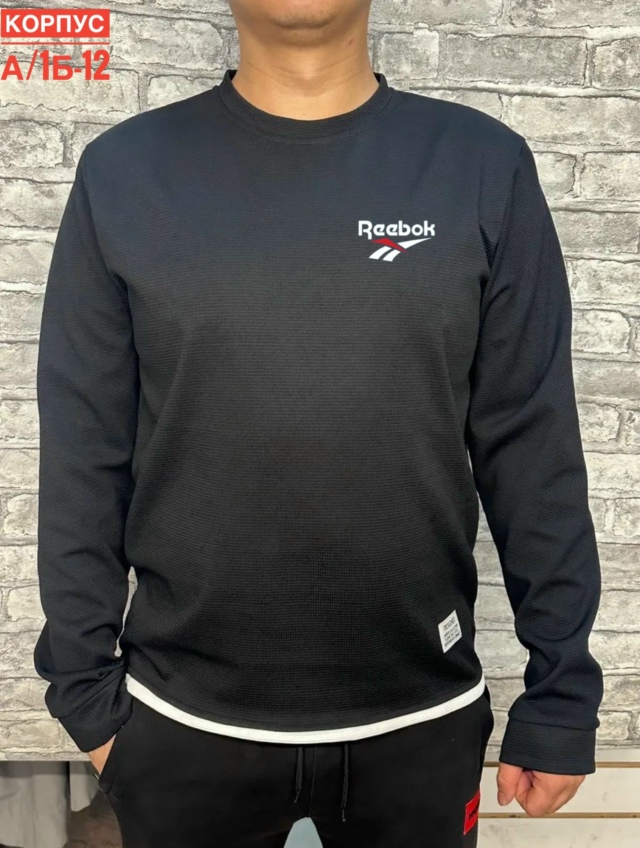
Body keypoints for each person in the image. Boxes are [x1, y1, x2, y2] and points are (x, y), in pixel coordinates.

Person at [33, 1, 604, 845]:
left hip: (422, 717)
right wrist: (88, 696)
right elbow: (86, 450)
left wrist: (561, 692)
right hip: (180, 725)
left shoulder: (481, 165)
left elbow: (531, 444)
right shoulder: (126, 172)